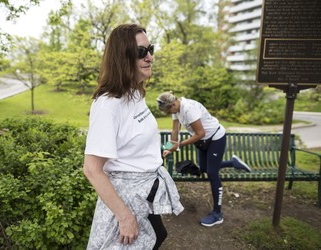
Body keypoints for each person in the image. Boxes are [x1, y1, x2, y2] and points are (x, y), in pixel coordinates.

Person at [83, 24, 184, 249]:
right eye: (141, 52)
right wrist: (124, 217)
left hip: (143, 195)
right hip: (125, 201)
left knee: (158, 235)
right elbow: (91, 169)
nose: (150, 57)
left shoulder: (134, 93)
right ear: (123, 57)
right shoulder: (108, 105)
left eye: (150, 49)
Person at [157, 91, 251, 227]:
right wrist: (168, 147)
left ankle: (218, 214)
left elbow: (201, 133)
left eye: (168, 110)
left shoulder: (189, 109)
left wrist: (180, 144)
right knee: (204, 169)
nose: (168, 113)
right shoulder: (175, 109)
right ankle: (233, 163)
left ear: (172, 104)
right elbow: (175, 132)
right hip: (202, 142)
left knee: (212, 173)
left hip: (215, 138)